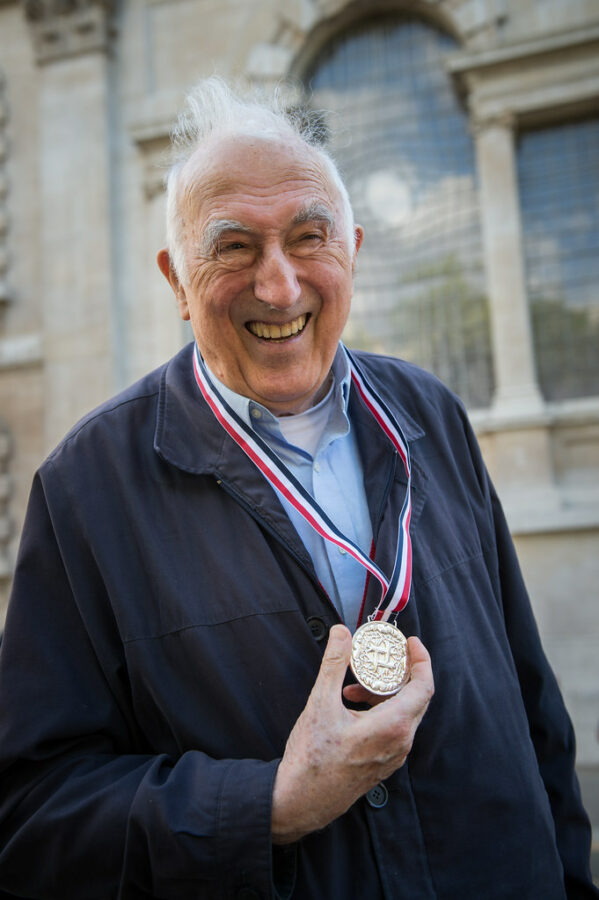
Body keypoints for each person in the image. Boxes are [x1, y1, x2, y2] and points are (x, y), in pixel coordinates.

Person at [0, 77, 595, 900]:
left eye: (307, 237)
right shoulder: (84, 491)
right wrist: (270, 804)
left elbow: (533, 712)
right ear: (177, 278)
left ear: (351, 247)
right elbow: (33, 814)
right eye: (234, 246)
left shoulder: (433, 415)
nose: (278, 286)